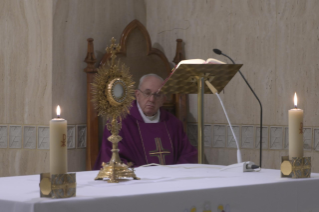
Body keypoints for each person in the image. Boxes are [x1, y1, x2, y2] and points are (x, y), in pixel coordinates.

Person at [94, 74, 197, 169]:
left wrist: (174, 175)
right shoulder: (119, 122)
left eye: (157, 95)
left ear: (163, 99)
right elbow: (111, 159)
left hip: (171, 183)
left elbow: (188, 155)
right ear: (137, 95)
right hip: (135, 184)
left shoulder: (173, 123)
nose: (151, 99)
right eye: (147, 93)